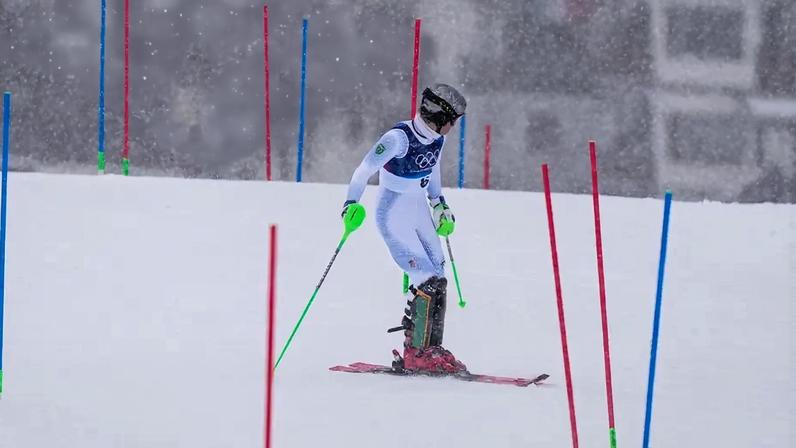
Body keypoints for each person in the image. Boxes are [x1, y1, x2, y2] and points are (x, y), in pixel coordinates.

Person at [342, 83, 467, 374]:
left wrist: (439, 204)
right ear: (440, 116)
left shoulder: (437, 139)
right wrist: (350, 204)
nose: (452, 127)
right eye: (452, 121)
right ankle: (416, 353)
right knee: (425, 278)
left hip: (418, 207)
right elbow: (363, 170)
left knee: (438, 273)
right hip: (393, 211)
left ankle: (431, 348)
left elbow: (433, 170)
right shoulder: (398, 138)